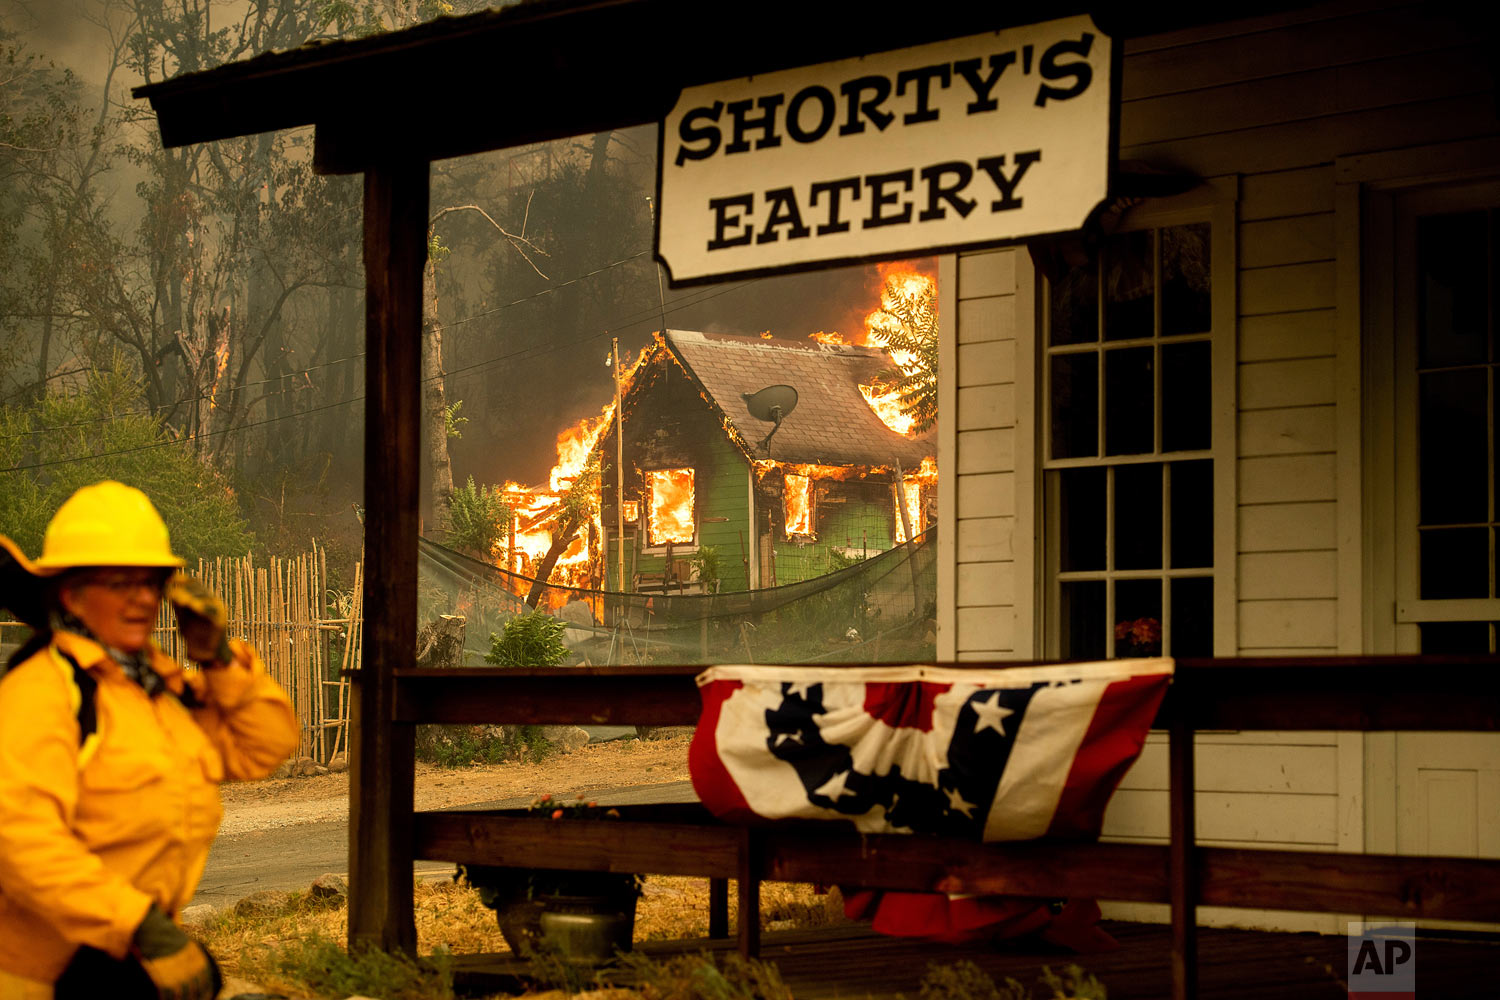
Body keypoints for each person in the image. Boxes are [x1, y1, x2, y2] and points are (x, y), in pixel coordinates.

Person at [0, 481, 299, 1000]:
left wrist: (219, 658)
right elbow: (20, 842)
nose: (142, 599)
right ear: (72, 594)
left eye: (151, 583)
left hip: (120, 965)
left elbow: (267, 746)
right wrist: (142, 925)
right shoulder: (45, 691)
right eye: (120, 583)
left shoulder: (155, 689)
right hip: (37, 980)